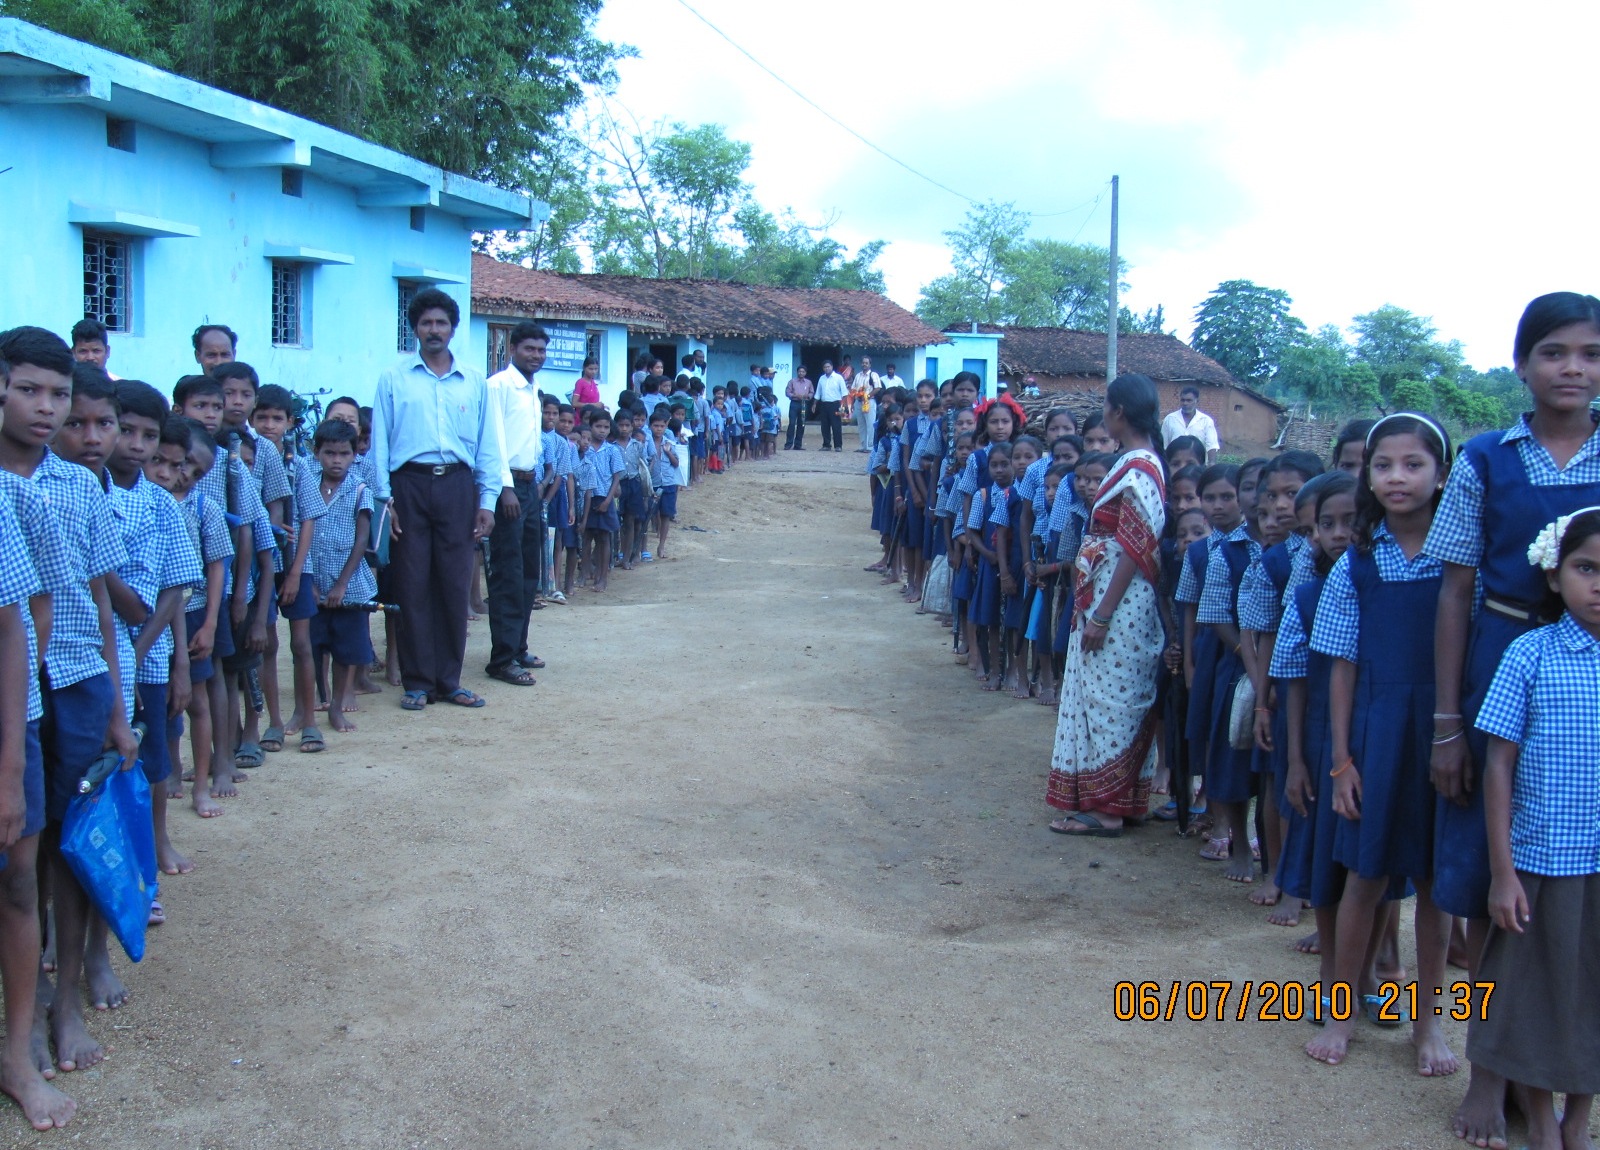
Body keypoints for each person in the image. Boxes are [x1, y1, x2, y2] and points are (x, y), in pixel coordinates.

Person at [1424, 291, 1600, 1147]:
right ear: (1522, 364)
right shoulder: (1486, 459)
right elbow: (1456, 589)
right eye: (1555, 352)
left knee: (1577, 895)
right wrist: (1447, 722)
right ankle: (1488, 1074)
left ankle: (1560, 1075)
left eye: (1591, 354)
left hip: (1590, 685)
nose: (1574, 369)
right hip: (1501, 663)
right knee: (1491, 878)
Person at [0, 330, 139, 1081]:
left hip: (78, 676)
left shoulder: (81, 487)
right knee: (18, 854)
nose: (47, 409)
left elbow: (98, 601)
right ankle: (28, 1006)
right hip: (12, 692)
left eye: (59, 394)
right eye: (31, 390)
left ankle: (66, 1005)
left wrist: (115, 706)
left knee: (72, 840)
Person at [1305, 413, 1456, 1076]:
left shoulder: (1463, 558)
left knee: (1435, 885)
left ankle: (1429, 1026)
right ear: (1367, 476)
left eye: (1414, 464)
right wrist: (1342, 760)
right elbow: (1341, 667)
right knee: (1365, 877)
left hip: (1444, 734)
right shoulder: (1357, 564)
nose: (1398, 477)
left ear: (1442, 475)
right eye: (1384, 465)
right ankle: (1343, 1014)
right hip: (1377, 734)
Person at [1469, 508, 1600, 1150]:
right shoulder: (1530, 653)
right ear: (1554, 576)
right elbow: (1498, 763)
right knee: (1535, 991)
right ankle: (1542, 1119)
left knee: (1592, 990)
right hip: (1544, 858)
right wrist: (1502, 871)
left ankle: (1579, 1117)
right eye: (1586, 568)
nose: (1599, 584)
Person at [1047, 374, 1167, 836]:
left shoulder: (1138, 467)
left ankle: (1108, 809)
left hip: (1120, 606)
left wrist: (1101, 614)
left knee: (1111, 700)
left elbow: (1134, 547)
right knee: (1110, 696)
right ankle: (1118, 800)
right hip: (1111, 600)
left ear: (1118, 412)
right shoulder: (1138, 463)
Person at [372, 287, 501, 711]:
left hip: (458, 487)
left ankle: (449, 680)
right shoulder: (394, 379)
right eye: (426, 323)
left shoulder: (474, 381)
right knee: (412, 585)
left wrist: (487, 500)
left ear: (453, 328)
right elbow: (379, 443)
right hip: (408, 486)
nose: (433, 330)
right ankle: (418, 682)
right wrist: (385, 500)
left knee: (453, 583)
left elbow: (488, 444)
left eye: (441, 323)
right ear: (415, 328)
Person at [303, 420, 377, 732]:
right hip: (313, 578)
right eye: (329, 453)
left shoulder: (360, 490)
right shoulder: (306, 486)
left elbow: (362, 540)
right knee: (312, 645)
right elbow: (302, 535)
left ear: (354, 455)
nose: (337, 460)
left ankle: (336, 706)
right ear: (316, 453)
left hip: (349, 584)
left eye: (344, 454)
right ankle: (313, 702)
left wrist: (342, 584)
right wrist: (309, 581)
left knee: (345, 649)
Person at [485, 322, 547, 688]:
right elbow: (493, 440)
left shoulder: (534, 389)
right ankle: (501, 659)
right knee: (507, 572)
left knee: (528, 573)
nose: (536, 356)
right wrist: (505, 488)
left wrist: (530, 484)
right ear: (512, 348)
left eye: (541, 350)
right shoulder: (499, 386)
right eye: (529, 349)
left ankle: (518, 646)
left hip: (529, 484)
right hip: (505, 488)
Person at [1160, 385, 1220, 463]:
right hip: (1175, 465)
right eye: (1183, 400)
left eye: (1189, 400)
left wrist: (1211, 464)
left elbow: (1211, 445)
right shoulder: (1170, 419)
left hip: (1197, 466)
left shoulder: (1206, 421)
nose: (1185, 403)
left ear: (1197, 401)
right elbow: (1164, 445)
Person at [814, 360, 848, 452]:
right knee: (824, 426)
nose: (827, 368)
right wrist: (814, 404)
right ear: (823, 368)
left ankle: (838, 446)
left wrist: (844, 406)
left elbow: (844, 393)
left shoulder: (838, 378)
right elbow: (818, 392)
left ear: (832, 367)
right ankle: (826, 445)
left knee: (836, 425)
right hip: (824, 404)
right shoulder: (821, 378)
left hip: (835, 404)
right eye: (825, 367)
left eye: (828, 366)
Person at [852, 356, 882, 451]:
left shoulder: (873, 375)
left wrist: (867, 396)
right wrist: (855, 396)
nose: (864, 364)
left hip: (869, 401)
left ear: (870, 364)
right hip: (858, 402)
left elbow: (877, 388)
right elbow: (853, 388)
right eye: (863, 363)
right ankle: (863, 446)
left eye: (866, 363)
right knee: (861, 425)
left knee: (870, 424)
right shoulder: (858, 375)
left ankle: (870, 446)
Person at [784, 367, 814, 450]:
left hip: (804, 404)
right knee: (792, 423)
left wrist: (808, 396)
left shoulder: (808, 382)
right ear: (797, 372)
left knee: (801, 424)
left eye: (803, 371)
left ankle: (798, 445)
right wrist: (795, 395)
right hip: (794, 403)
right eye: (799, 371)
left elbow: (812, 392)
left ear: (805, 373)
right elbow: (787, 392)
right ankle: (788, 444)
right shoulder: (792, 381)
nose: (801, 373)